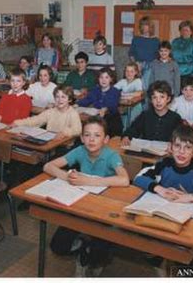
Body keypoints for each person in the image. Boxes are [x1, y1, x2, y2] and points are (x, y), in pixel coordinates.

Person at [133, 124, 193, 274]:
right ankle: (160, 263)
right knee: (145, 239)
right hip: (163, 215)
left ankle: (181, 265)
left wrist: (191, 197)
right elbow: (138, 178)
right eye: (177, 146)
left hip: (189, 221)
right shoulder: (164, 164)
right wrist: (160, 189)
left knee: (185, 258)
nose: (181, 152)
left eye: (188, 147)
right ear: (170, 147)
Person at [44, 117, 129, 277]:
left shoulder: (112, 155)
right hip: (79, 205)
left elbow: (124, 179)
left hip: (103, 210)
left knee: (99, 253)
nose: (91, 139)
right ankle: (83, 244)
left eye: (97, 135)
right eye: (87, 135)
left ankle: (88, 255)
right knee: (58, 247)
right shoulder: (80, 150)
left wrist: (89, 180)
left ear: (106, 139)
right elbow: (48, 166)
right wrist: (67, 176)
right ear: (82, 138)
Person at [122, 81, 182, 145]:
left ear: (168, 99)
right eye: (154, 97)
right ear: (151, 100)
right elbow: (133, 129)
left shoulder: (175, 118)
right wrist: (127, 137)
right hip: (146, 151)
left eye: (162, 97)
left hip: (166, 152)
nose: (158, 101)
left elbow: (180, 138)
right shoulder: (145, 115)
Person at [14, 85, 82, 139]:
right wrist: (17, 123)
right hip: (50, 141)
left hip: (64, 145)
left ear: (69, 99)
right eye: (57, 97)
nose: (60, 100)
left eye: (63, 97)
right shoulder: (51, 111)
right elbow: (35, 120)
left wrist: (64, 133)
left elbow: (77, 130)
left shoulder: (73, 113)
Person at [77, 67, 122, 136]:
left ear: (111, 79)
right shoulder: (95, 90)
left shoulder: (115, 91)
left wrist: (106, 108)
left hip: (111, 121)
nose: (103, 80)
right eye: (101, 77)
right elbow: (87, 100)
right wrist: (76, 104)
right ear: (98, 79)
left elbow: (113, 105)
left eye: (106, 77)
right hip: (97, 118)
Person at [129, 17, 160, 90]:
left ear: (150, 27)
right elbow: (131, 54)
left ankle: (146, 101)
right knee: (136, 87)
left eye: (146, 25)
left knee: (146, 87)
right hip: (137, 65)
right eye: (142, 25)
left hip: (150, 66)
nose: (144, 27)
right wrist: (136, 64)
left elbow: (158, 56)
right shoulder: (136, 39)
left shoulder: (156, 41)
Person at [171, 20, 193, 85]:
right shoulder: (175, 42)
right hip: (174, 73)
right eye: (182, 30)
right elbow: (170, 57)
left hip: (188, 75)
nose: (184, 32)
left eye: (186, 30)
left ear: (191, 32)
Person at [114, 61, 143, 128]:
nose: (129, 73)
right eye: (127, 71)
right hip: (124, 106)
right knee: (122, 124)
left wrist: (123, 95)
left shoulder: (137, 81)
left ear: (136, 72)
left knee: (132, 125)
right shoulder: (122, 81)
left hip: (135, 107)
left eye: (131, 71)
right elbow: (113, 91)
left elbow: (139, 93)